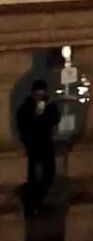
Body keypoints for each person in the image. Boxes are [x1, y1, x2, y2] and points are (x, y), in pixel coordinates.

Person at [16, 78, 60, 215]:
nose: (40, 97)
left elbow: (55, 119)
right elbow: (23, 125)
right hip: (31, 145)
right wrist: (34, 116)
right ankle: (30, 204)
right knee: (31, 177)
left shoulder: (49, 105)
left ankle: (37, 200)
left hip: (46, 144)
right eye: (38, 94)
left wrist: (50, 107)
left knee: (48, 174)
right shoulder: (26, 107)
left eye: (42, 94)